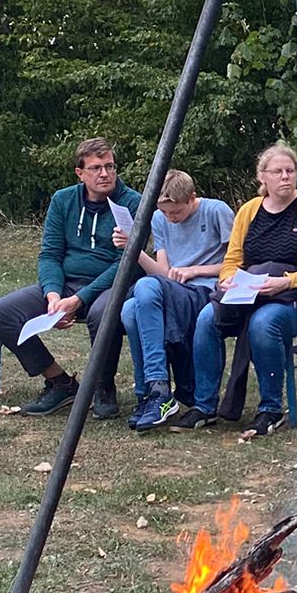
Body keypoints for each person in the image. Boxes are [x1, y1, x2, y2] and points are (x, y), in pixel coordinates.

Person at [178, 144, 297, 438]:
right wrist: (227, 280)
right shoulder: (249, 211)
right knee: (205, 319)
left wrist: (286, 281)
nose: (285, 177)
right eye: (277, 171)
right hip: (249, 293)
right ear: (262, 177)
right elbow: (232, 261)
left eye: (290, 171)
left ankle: (270, 409)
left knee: (264, 323)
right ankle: (204, 406)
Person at [0, 137, 142, 418]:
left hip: (110, 285)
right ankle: (60, 382)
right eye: (95, 168)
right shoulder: (63, 200)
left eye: (109, 166)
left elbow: (126, 263)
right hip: (66, 283)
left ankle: (103, 386)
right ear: (80, 173)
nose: (104, 173)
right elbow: (50, 254)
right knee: (1, 312)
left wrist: (79, 299)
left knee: (100, 313)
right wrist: (54, 295)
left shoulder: (132, 202)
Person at [117, 169, 234, 431]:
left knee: (143, 290)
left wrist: (195, 270)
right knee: (129, 309)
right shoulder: (160, 218)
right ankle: (151, 393)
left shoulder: (216, 211)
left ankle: (155, 390)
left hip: (206, 290)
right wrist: (132, 247)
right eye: (166, 212)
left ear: (192, 198)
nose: (171, 218)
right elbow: (163, 272)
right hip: (174, 290)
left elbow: (236, 263)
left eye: (177, 213)